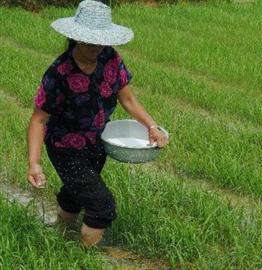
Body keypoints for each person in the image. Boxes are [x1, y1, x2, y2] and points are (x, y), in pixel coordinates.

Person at [26, 0, 168, 247]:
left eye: (100, 41)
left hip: (97, 144)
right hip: (65, 148)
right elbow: (39, 120)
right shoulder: (59, 73)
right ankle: (81, 258)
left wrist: (151, 126)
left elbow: (129, 99)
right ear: (76, 37)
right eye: (90, 41)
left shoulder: (110, 58)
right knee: (101, 206)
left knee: (75, 195)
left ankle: (62, 237)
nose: (96, 47)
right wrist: (34, 163)